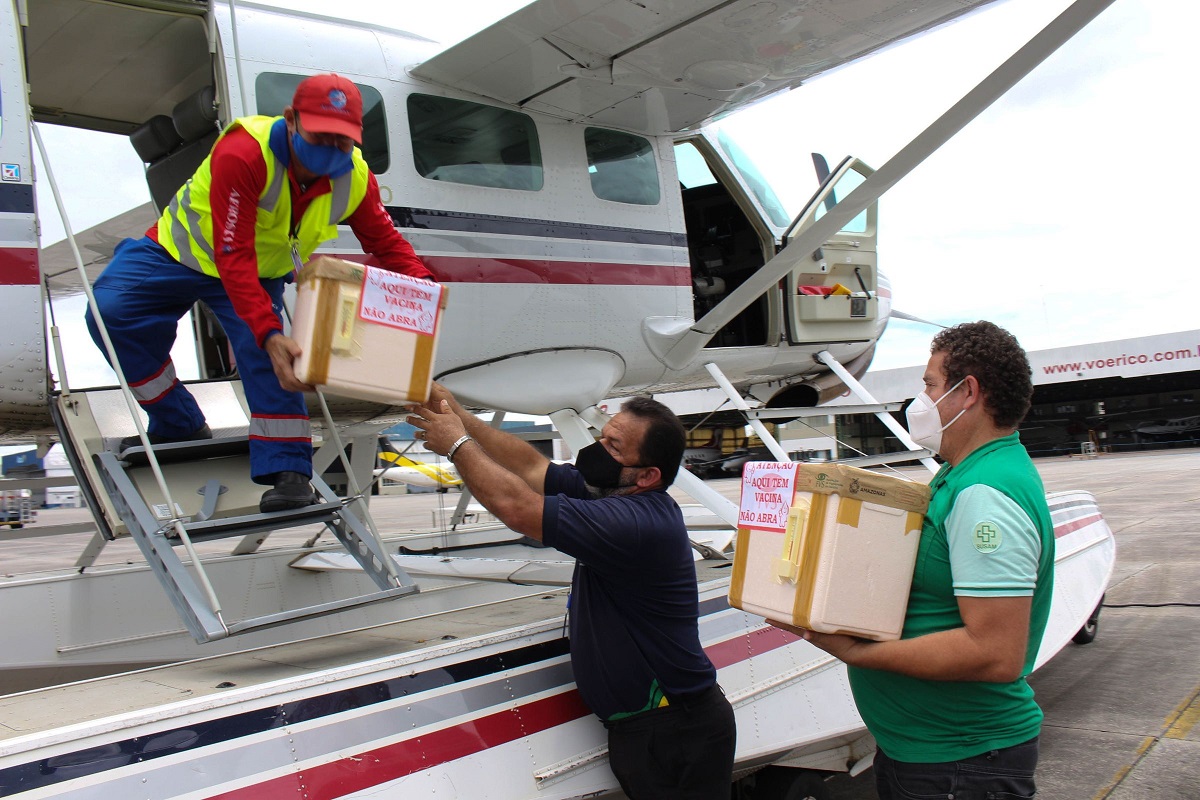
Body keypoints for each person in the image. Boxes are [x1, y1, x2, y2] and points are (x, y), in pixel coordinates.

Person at [85, 74, 433, 513]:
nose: (329, 150)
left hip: (257, 272)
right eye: (319, 136)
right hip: (179, 253)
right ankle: (178, 423)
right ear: (290, 120)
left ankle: (289, 472)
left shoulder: (356, 177)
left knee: (274, 360)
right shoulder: (245, 152)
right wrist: (269, 332)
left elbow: (385, 242)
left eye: (341, 142)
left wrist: (424, 291)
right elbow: (233, 253)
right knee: (110, 312)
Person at [406, 385, 736, 799]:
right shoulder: (615, 489)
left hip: (674, 729)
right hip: (650, 726)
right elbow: (530, 467)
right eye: (602, 435)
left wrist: (456, 443)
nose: (598, 450)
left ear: (648, 475)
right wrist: (457, 414)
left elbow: (519, 507)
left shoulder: (635, 522)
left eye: (613, 446)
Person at [773, 320, 1054, 799]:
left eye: (929, 384)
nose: (919, 399)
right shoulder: (958, 475)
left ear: (967, 392)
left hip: (958, 763)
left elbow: (995, 653)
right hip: (930, 754)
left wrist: (858, 652)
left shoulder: (984, 494)